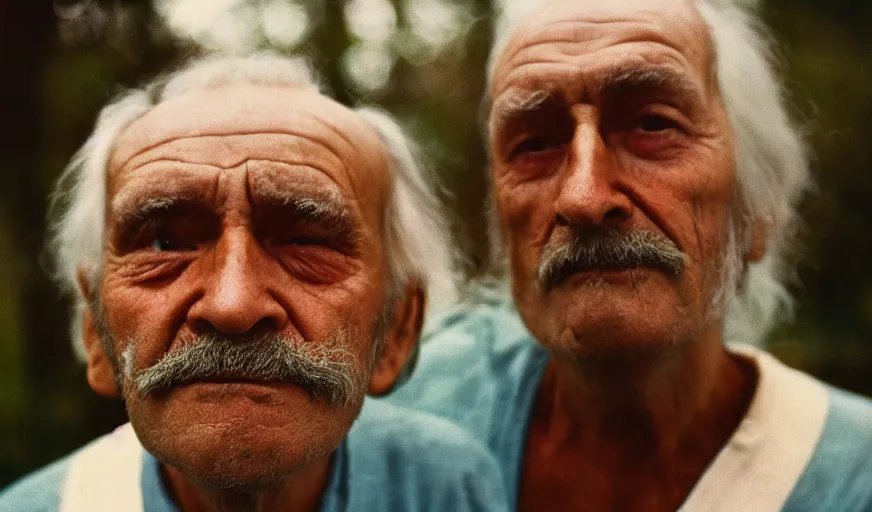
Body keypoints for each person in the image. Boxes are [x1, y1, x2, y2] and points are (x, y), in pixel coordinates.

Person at [388, 0, 872, 510]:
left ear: (757, 210)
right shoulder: (404, 416)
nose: (583, 197)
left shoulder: (867, 477)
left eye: (653, 125)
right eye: (535, 144)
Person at [0, 53, 507, 512]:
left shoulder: (445, 487)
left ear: (396, 329)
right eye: (164, 243)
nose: (232, 303)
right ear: (96, 331)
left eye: (306, 241)